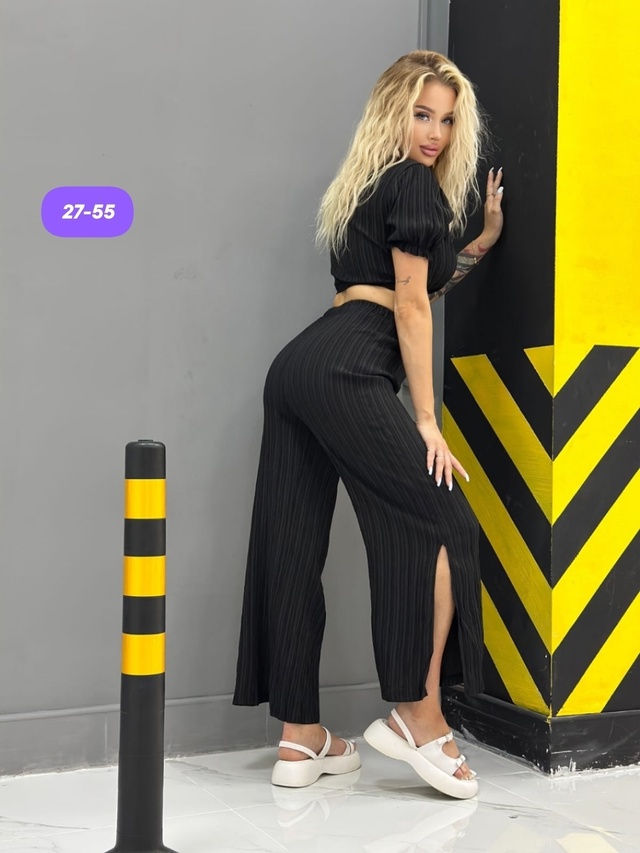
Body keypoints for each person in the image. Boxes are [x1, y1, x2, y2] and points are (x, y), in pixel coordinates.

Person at [233, 50, 504, 800]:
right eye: (422, 114)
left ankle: (301, 738)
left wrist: (481, 238)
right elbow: (409, 305)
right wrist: (426, 419)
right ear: (393, 110)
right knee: (443, 523)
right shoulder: (412, 183)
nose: (435, 133)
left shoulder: (363, 186)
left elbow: (415, 281)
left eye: (446, 120)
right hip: (351, 367)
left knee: (292, 545)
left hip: (299, 367)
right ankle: (418, 715)